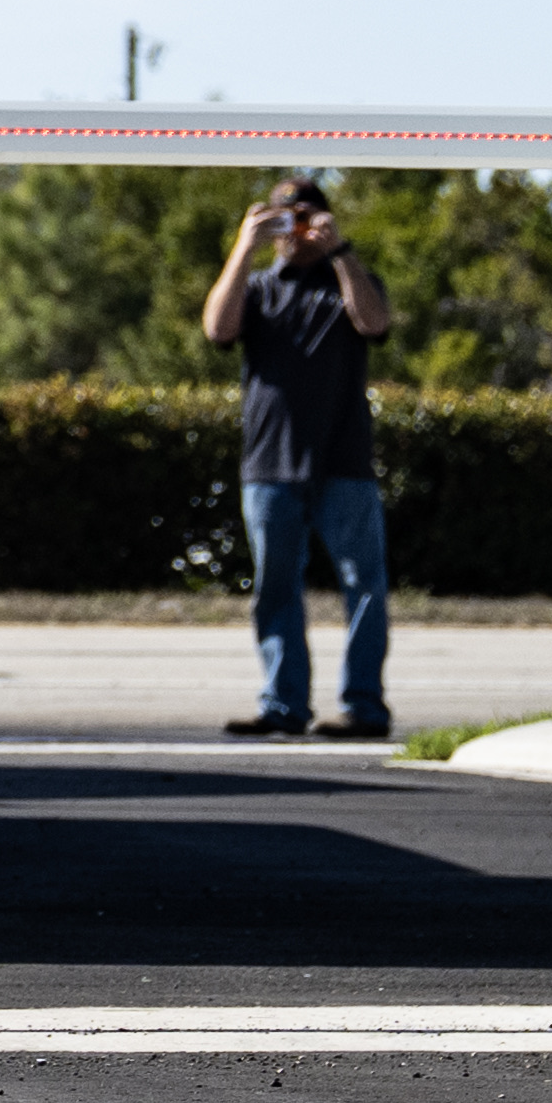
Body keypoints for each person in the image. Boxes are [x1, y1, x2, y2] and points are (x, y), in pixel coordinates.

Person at [203, 175, 392, 739]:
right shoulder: (258, 287)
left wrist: (340, 251)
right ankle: (283, 705)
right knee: (276, 589)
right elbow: (218, 328)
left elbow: (374, 322)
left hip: (343, 462)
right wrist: (245, 245)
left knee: (364, 586)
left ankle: (364, 708)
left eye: (306, 217)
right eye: (286, 218)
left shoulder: (348, 279)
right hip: (270, 463)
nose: (296, 231)